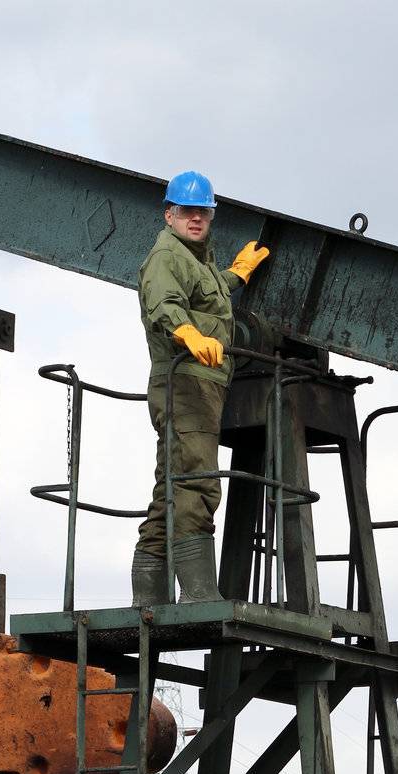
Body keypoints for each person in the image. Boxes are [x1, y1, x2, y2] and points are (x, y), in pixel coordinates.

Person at [133, 170, 269, 605]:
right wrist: (188, 335)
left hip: (202, 383)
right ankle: (198, 594)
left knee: (172, 486)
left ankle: (149, 596)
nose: (196, 219)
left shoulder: (196, 259)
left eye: (203, 212)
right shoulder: (166, 256)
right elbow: (164, 304)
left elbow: (208, 296)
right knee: (198, 481)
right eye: (188, 211)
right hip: (185, 381)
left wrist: (236, 275)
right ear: (169, 214)